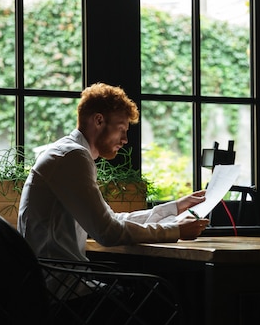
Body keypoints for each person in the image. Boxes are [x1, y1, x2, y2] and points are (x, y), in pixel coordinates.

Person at [17, 82, 208, 262]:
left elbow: (111, 220)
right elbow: (108, 232)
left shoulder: (69, 153)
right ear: (99, 120)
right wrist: (175, 230)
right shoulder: (73, 157)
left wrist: (174, 208)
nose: (125, 140)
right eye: (121, 129)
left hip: (56, 282)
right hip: (63, 286)